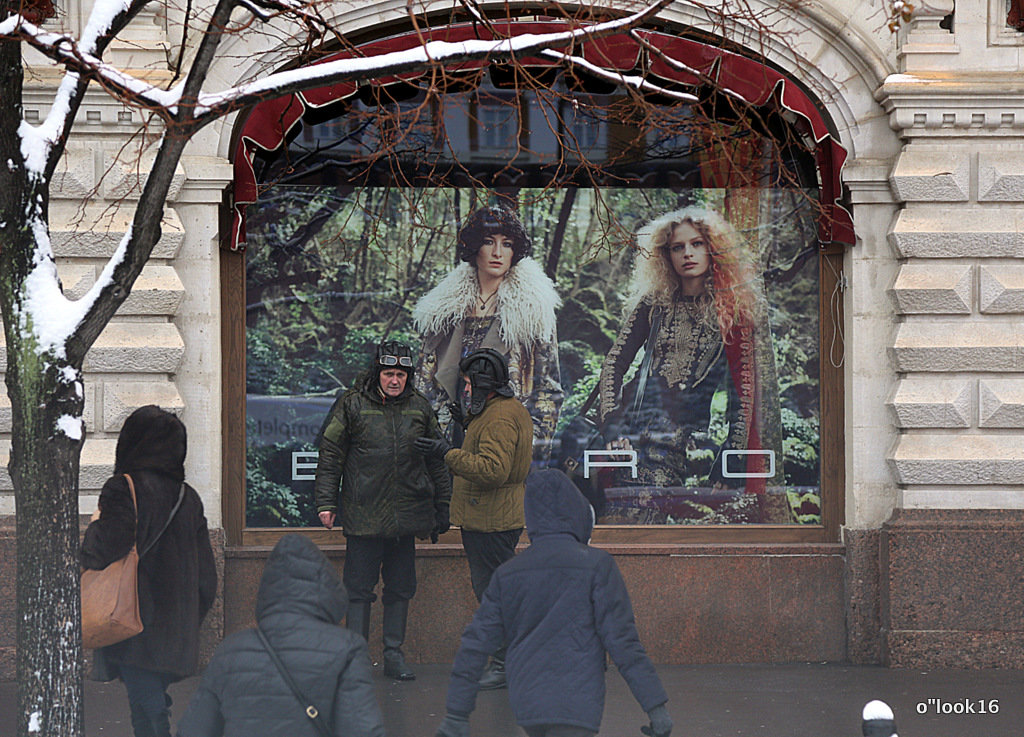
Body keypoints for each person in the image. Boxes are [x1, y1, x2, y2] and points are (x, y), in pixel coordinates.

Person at [434, 469, 673, 737]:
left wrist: (457, 713)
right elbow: (623, 642)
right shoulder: (597, 566)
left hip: (528, 702)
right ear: (578, 512)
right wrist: (656, 707)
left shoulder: (509, 573)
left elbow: (476, 644)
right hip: (578, 700)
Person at [597, 205, 785, 523]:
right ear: (666, 255)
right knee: (616, 521)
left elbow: (745, 388)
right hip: (629, 431)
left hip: (680, 439)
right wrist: (611, 425)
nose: (688, 253)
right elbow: (614, 361)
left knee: (648, 525)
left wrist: (732, 454)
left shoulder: (731, 310)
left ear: (713, 249)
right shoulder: (653, 303)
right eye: (677, 247)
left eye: (696, 244)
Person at [313, 340, 452, 681]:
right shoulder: (352, 404)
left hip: (406, 515)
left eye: (402, 374)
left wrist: (443, 505)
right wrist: (326, 503)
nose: (395, 380)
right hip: (364, 513)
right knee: (359, 588)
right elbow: (330, 456)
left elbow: (439, 459)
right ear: (378, 372)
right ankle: (357, 658)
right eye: (389, 373)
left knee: (401, 586)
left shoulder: (420, 407)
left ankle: (394, 654)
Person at [80, 405, 217, 737]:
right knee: (147, 701)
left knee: (149, 707)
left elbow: (100, 551)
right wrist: (189, 615)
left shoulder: (123, 488)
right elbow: (207, 577)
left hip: (135, 619)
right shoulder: (190, 497)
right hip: (176, 626)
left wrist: (92, 530)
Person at [176, 533, 385, 737]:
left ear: (267, 593)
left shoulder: (230, 651)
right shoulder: (347, 649)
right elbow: (362, 729)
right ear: (328, 591)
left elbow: (193, 729)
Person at [414, 348, 532, 690]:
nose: (465, 390)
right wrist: (466, 423)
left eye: (468, 384)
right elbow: (492, 447)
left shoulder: (498, 417)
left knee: (493, 593)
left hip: (490, 520)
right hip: (495, 517)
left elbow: (493, 470)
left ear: (483, 385)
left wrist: (446, 453)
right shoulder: (503, 409)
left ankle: (504, 664)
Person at [413, 204, 563, 460]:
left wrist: (529, 448)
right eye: (488, 242)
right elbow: (423, 385)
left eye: (506, 244)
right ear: (474, 247)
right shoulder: (442, 310)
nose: (497, 253)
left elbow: (547, 393)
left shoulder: (532, 311)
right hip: (447, 445)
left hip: (504, 448)